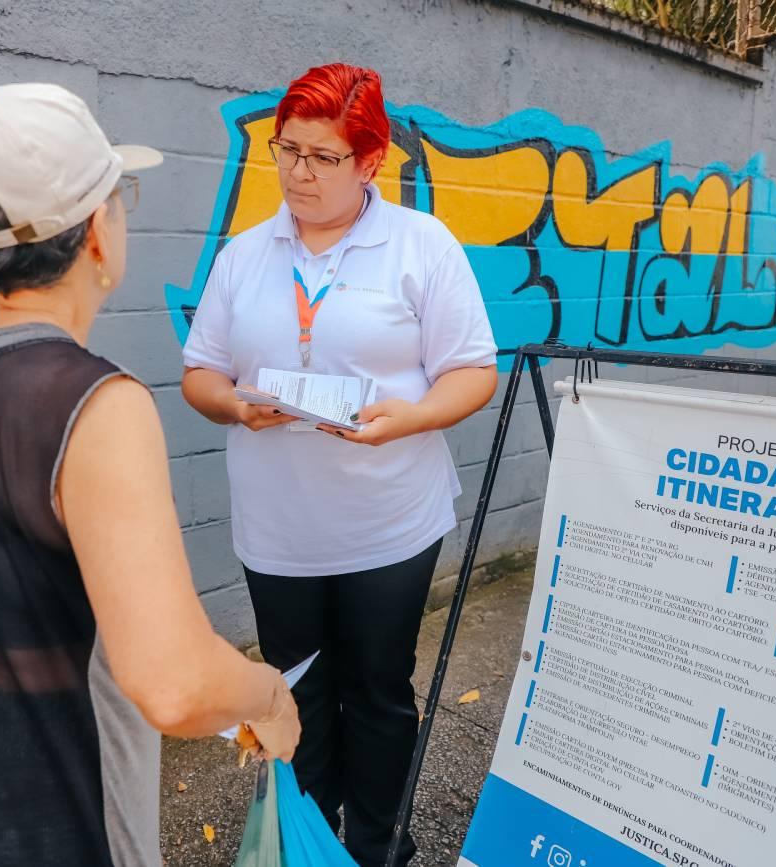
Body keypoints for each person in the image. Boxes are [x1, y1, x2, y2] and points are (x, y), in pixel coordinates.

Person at [0, 83, 299, 867]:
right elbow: (172, 682)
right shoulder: (96, 405)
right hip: (68, 825)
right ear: (96, 234)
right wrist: (266, 693)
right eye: (120, 196)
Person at [181, 63, 498, 866]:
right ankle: (310, 841)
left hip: (390, 524)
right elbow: (199, 374)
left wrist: (410, 418)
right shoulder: (245, 255)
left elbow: (472, 371)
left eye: (323, 157)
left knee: (380, 692)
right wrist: (235, 406)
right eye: (287, 151)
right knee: (295, 694)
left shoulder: (421, 246)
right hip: (278, 528)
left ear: (370, 161)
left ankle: (382, 841)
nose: (297, 173)